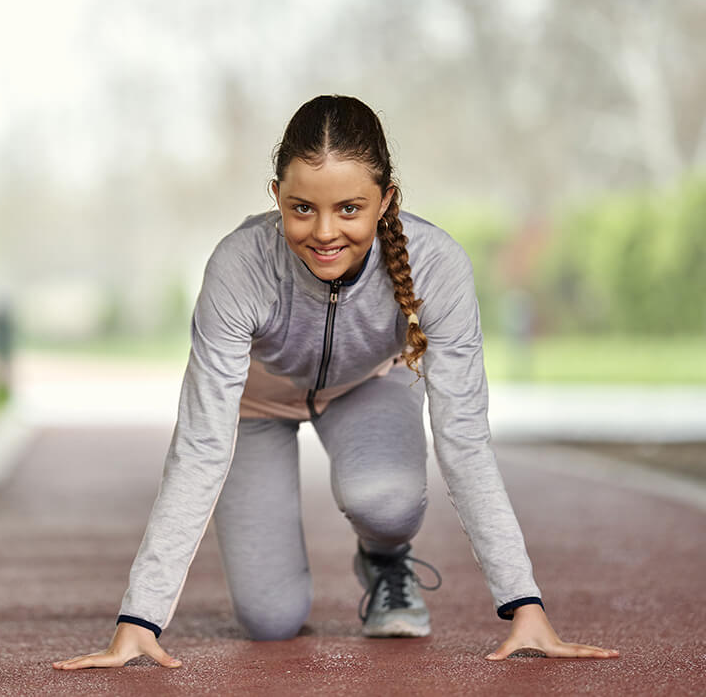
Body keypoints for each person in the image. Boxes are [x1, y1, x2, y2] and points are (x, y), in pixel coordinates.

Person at [53, 94, 619, 670]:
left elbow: (465, 438)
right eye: (302, 208)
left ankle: (384, 558)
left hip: (367, 389)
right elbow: (201, 445)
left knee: (388, 503)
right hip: (257, 407)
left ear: (385, 201)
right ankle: (279, 590)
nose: (325, 233)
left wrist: (522, 602)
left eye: (350, 209)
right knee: (270, 621)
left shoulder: (437, 264)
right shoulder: (238, 266)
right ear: (275, 196)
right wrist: (139, 617)